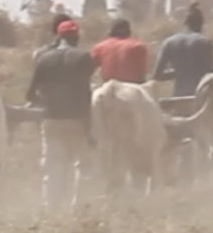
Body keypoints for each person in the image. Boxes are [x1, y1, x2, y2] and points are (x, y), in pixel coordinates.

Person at [27, 19, 94, 206]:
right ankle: (78, 208)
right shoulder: (83, 58)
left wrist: (49, 103)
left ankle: (52, 208)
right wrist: (89, 128)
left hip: (51, 120)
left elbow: (30, 94)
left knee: (52, 166)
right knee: (83, 165)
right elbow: (85, 93)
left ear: (58, 36)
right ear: (77, 37)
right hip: (77, 120)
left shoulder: (44, 59)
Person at [152, 5, 213, 98]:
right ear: (201, 24)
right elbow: (212, 72)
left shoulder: (169, 42)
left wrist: (179, 71)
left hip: (178, 96)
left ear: (185, 23)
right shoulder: (205, 42)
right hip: (200, 97)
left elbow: (157, 76)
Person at [90, 18, 148, 84]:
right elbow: (141, 74)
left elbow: (88, 70)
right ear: (129, 31)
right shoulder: (138, 46)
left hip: (108, 86)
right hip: (132, 86)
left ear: (111, 31)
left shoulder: (100, 47)